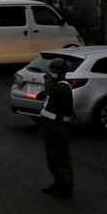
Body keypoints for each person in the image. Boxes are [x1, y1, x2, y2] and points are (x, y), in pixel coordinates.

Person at [38, 57, 75, 198]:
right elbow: (50, 94)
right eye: (50, 71)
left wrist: (47, 79)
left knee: (61, 159)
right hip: (51, 129)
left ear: (61, 73)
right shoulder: (56, 85)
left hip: (59, 130)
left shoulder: (63, 86)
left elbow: (53, 91)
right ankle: (58, 183)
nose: (51, 74)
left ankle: (66, 187)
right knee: (52, 158)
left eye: (54, 72)